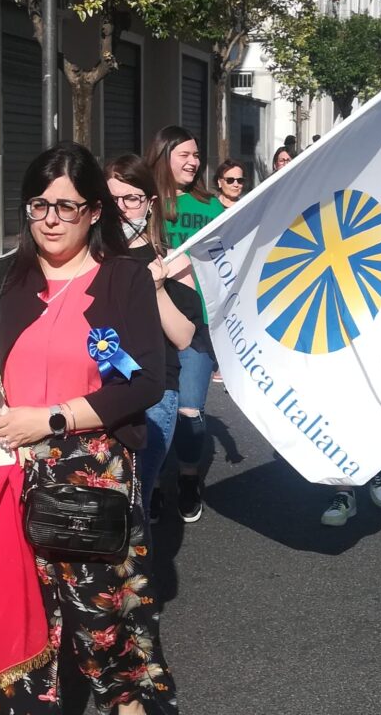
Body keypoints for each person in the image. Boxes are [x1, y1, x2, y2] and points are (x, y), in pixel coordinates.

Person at [0, 142, 178, 714]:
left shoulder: (122, 282)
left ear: (92, 213)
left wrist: (52, 418)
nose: (52, 220)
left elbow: (138, 383)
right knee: (14, 627)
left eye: (68, 206)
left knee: (101, 620)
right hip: (6, 474)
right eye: (40, 205)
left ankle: (125, 704)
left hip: (90, 476)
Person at [104, 153, 203, 525]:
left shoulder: (171, 260)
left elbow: (184, 337)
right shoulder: (88, 257)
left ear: (150, 203)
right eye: (112, 199)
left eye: (131, 199)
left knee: (137, 499)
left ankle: (136, 581)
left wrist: (159, 289)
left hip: (155, 394)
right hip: (96, 389)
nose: (122, 209)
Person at [146, 125, 223, 523]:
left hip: (199, 324)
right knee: (153, 406)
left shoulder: (211, 206)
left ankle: (189, 477)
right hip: (149, 322)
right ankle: (154, 480)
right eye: (185, 155)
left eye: (197, 155)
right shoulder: (144, 202)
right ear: (163, 156)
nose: (194, 162)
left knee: (189, 409)